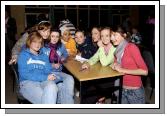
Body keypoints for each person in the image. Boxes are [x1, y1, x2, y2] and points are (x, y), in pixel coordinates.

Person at [17, 31, 58, 104]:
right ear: (30, 42)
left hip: (42, 81)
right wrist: (44, 77)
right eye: (35, 42)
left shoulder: (44, 56)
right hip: (27, 82)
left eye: (39, 42)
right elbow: (24, 74)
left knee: (52, 86)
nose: (38, 44)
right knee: (47, 98)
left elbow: (48, 70)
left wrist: (50, 75)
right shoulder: (23, 55)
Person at [110, 26, 148, 104]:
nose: (112, 38)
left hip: (134, 92)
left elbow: (144, 71)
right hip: (122, 88)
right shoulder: (117, 50)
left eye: (115, 35)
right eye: (111, 35)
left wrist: (121, 70)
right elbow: (118, 64)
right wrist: (114, 65)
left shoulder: (131, 47)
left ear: (124, 35)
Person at [42, 28, 75, 104]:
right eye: (53, 36)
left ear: (59, 37)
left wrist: (61, 59)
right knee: (58, 87)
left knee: (70, 78)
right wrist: (51, 65)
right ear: (49, 36)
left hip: (58, 72)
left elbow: (66, 55)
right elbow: (40, 61)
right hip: (47, 72)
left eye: (57, 36)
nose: (55, 39)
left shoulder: (61, 46)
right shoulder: (43, 46)